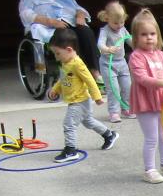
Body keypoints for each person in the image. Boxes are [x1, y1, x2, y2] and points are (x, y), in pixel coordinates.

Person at [126, 10, 163, 184]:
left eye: (152, 34)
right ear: (136, 38)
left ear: (158, 35)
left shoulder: (162, 56)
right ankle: (149, 169)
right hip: (145, 101)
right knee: (152, 138)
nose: (149, 38)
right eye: (144, 34)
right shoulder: (136, 57)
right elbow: (142, 79)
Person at [18, 0, 101, 81]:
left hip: (71, 22)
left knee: (86, 32)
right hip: (47, 28)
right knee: (68, 36)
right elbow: (26, 14)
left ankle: (95, 71)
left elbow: (77, 7)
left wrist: (80, 16)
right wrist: (51, 21)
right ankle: (81, 74)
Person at [47, 27, 117, 164]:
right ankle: (109, 135)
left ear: (69, 50)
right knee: (88, 121)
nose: (56, 57)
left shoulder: (77, 64)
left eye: (58, 53)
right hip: (77, 100)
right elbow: (63, 79)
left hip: (79, 101)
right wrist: (55, 89)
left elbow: (89, 80)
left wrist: (97, 97)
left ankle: (70, 150)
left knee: (69, 125)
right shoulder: (65, 62)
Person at [97, 0, 133, 123]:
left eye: (122, 22)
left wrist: (139, 46)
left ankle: (126, 108)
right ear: (107, 18)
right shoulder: (105, 31)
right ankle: (114, 112)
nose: (119, 25)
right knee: (114, 89)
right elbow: (100, 44)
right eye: (115, 23)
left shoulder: (123, 29)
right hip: (108, 64)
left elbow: (130, 40)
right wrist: (107, 49)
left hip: (122, 63)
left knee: (127, 86)